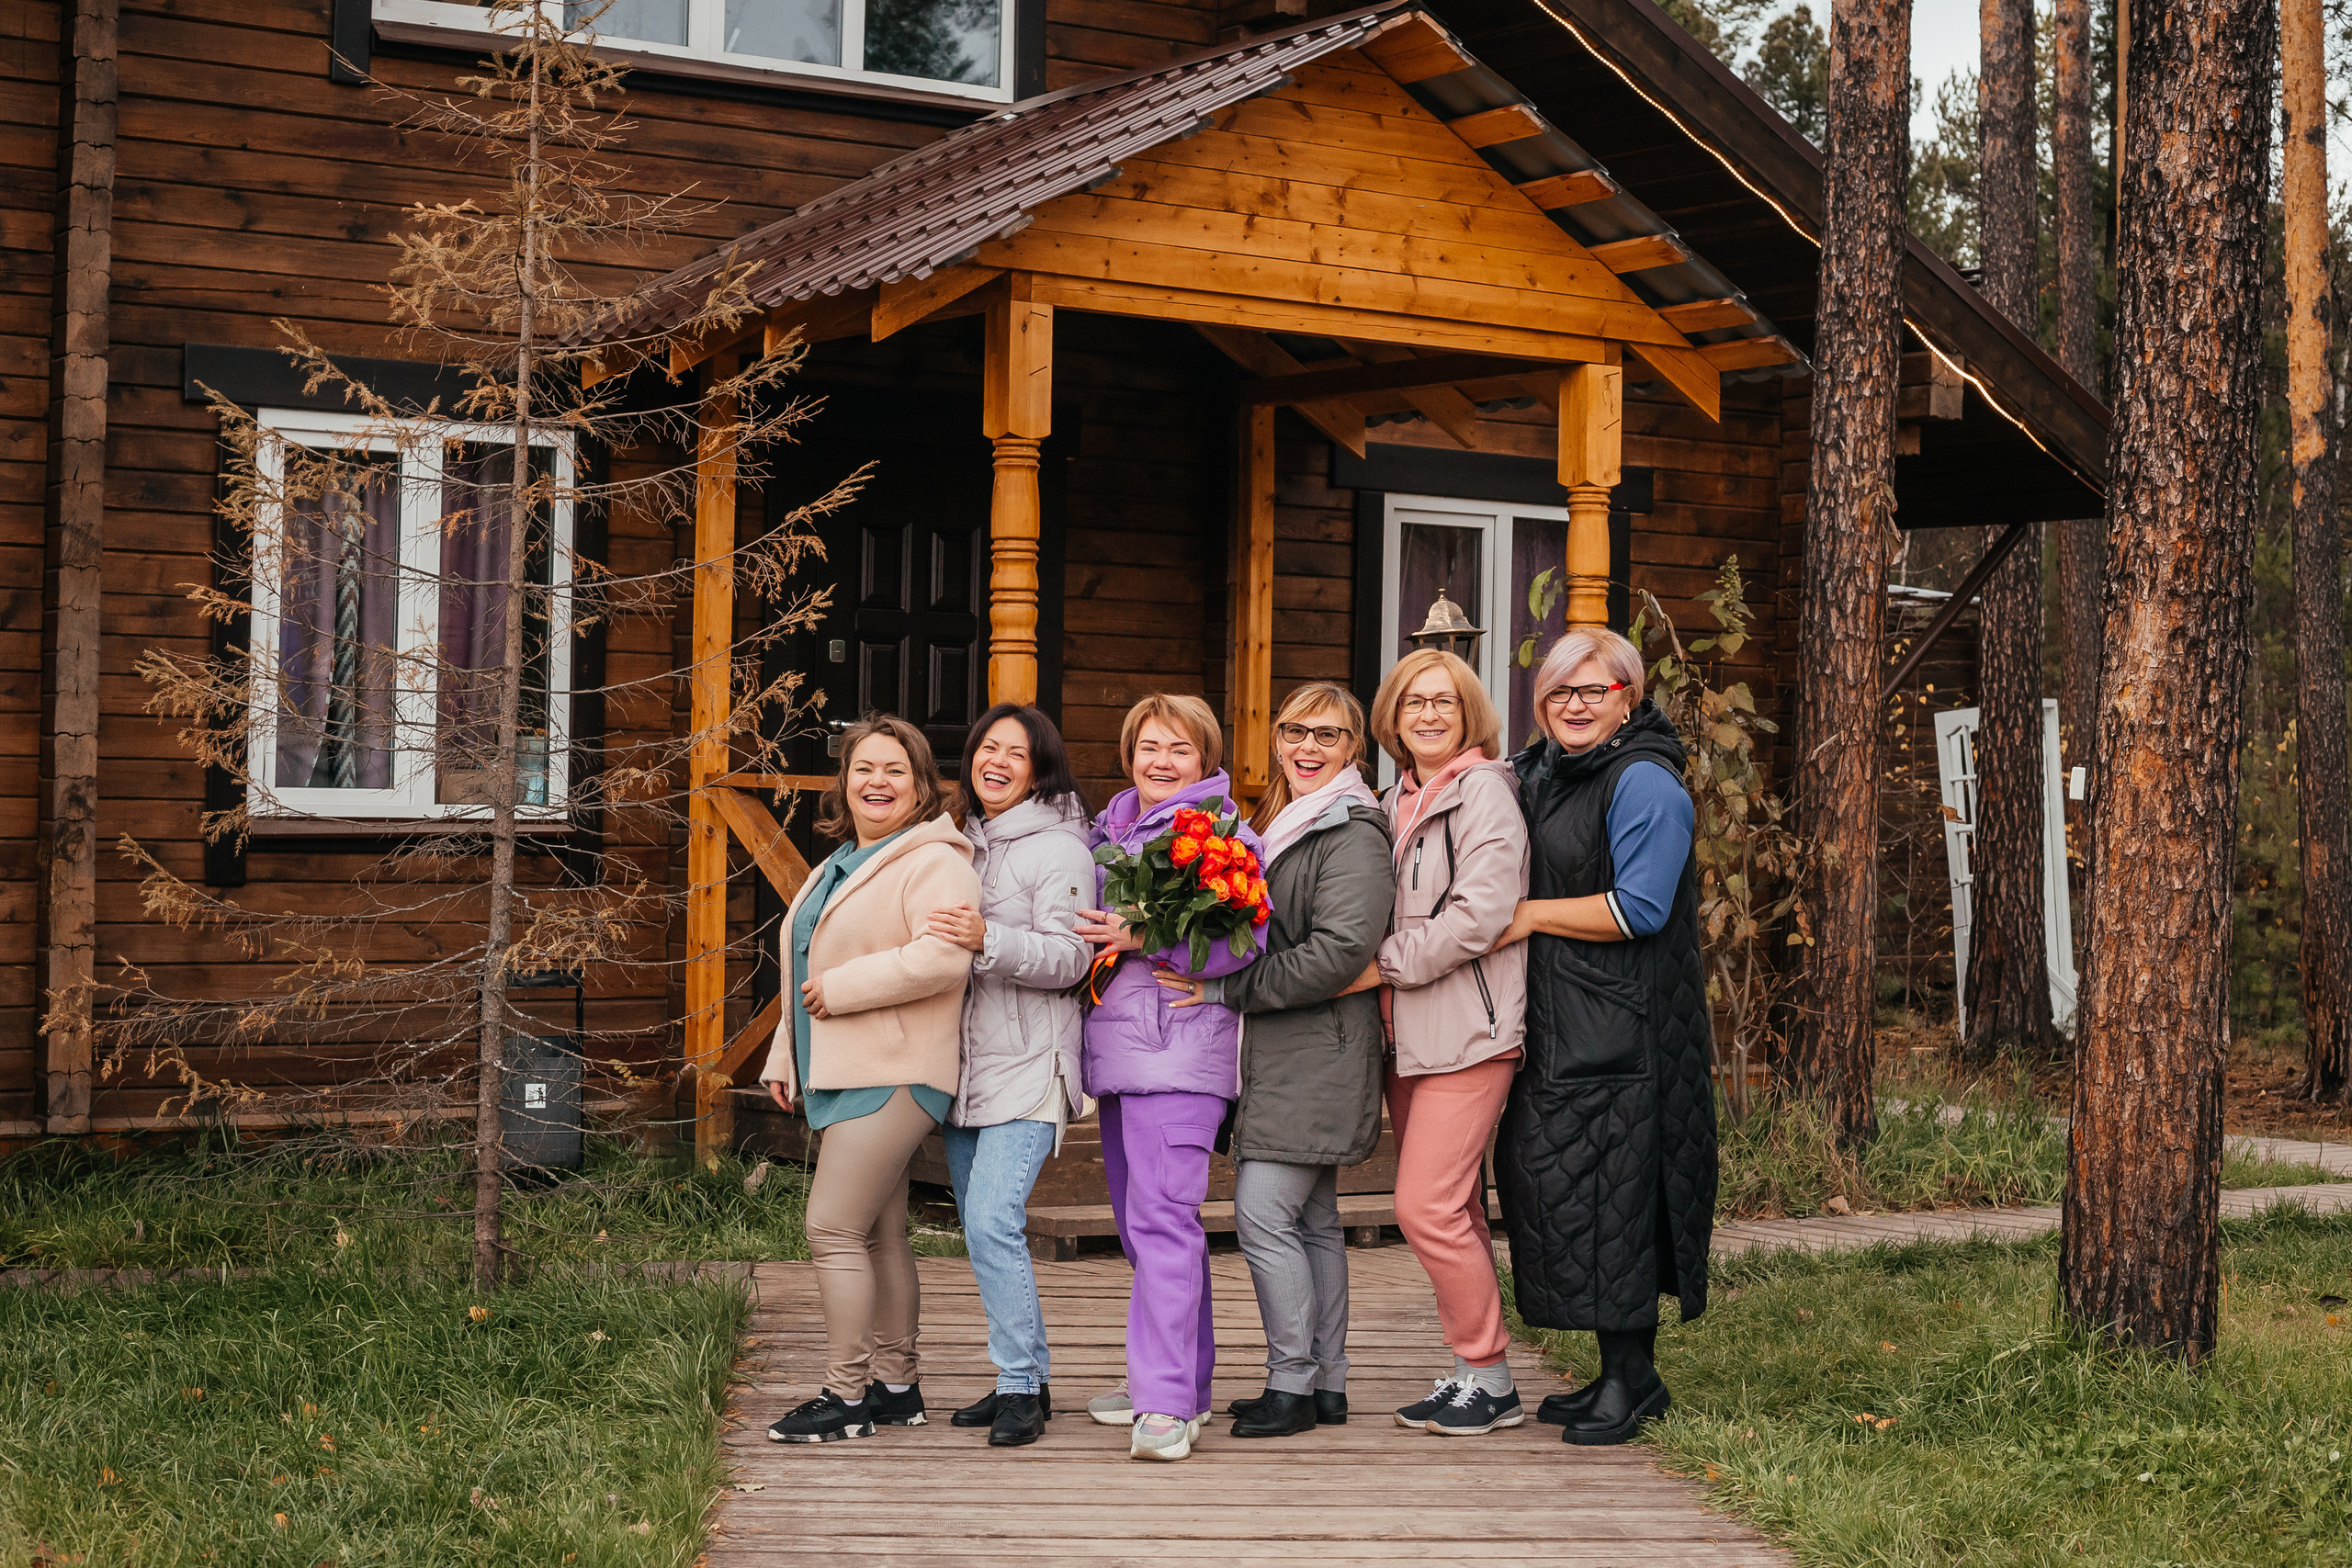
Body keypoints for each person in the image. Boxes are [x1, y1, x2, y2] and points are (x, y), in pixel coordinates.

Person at [1495, 627, 1716, 1447]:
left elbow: (1639, 907)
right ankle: (1622, 1373)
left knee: (1620, 1199)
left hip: (1631, 1031)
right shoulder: (1542, 771)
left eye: (1596, 691)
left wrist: (1525, 918)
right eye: (1560, 692)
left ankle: (1634, 1381)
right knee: (1571, 1199)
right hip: (1567, 1024)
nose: (1576, 706)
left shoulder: (1645, 781)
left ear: (1630, 697)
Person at [1169, 682, 1392, 1440]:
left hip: (1319, 1048)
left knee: (1262, 1213)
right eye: (1295, 730)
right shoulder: (1291, 818)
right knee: (1316, 1220)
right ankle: (1327, 1382)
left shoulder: (1352, 831)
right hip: (1291, 1050)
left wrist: (1227, 987)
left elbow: (1338, 951)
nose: (1307, 746)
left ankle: (1291, 1383)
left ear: (1354, 748)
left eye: (1327, 735)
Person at [759, 714, 982, 1445]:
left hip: (895, 1069)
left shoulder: (936, 859)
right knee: (883, 1233)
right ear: (844, 781)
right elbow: (798, 971)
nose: (877, 782)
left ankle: (844, 1394)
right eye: (864, 769)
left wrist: (846, 986)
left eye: (895, 770)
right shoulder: (841, 862)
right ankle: (894, 1386)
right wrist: (785, 1058)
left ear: (921, 785)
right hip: (842, 1069)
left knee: (830, 1227)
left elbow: (945, 959)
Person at [1074, 693, 1267, 1462]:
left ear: (1207, 759)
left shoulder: (1220, 833)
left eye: (1180, 750)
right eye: (1150, 746)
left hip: (1180, 1055)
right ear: (1129, 754)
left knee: (1162, 1224)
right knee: (1145, 1228)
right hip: (1121, 1057)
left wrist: (1147, 935)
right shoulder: (1110, 827)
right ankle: (1178, 1381)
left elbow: (1246, 938)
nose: (1162, 761)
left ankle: (1161, 1403)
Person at [1352, 649, 1532, 1436]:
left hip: (1471, 1030)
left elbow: (1480, 915)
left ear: (1469, 716)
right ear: (1392, 717)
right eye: (1413, 702)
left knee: (1422, 1205)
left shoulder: (1484, 792)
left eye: (1445, 703)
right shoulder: (1392, 798)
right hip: (1407, 1036)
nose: (1428, 715)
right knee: (1452, 1203)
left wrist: (1380, 966)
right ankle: (1470, 1373)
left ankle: (1490, 1376)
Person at [922, 704, 1096, 1449]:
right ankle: (1022, 1374)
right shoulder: (964, 842)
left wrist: (990, 937)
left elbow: (1071, 959)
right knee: (978, 1225)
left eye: (1014, 753)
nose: (995, 760)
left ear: (1039, 768)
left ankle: (1020, 1386)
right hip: (966, 1065)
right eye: (985, 747)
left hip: (1032, 1062)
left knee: (995, 1218)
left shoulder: (1059, 848)